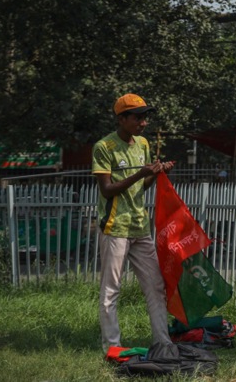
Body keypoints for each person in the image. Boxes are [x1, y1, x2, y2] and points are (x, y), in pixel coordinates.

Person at [92, 93, 175, 353]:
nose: (143, 122)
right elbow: (106, 190)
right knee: (111, 291)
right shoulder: (104, 147)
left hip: (140, 226)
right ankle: (112, 347)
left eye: (145, 117)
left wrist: (155, 173)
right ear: (121, 118)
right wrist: (140, 172)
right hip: (115, 227)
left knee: (156, 285)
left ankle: (163, 342)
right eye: (137, 117)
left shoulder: (143, 144)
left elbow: (143, 184)